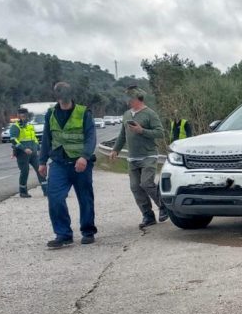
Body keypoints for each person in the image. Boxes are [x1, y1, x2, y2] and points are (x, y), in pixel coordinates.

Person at [39, 82, 98, 248]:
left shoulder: (83, 112)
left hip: (80, 163)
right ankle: (63, 234)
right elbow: (46, 138)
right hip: (59, 163)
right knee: (55, 198)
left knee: (85, 198)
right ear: (56, 97)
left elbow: (90, 136)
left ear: (71, 95)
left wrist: (84, 157)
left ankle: (88, 231)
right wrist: (42, 161)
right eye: (60, 97)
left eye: (65, 96)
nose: (62, 100)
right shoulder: (50, 113)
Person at [109, 86, 167, 228]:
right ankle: (148, 215)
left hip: (148, 154)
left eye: (129, 99)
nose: (127, 102)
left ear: (136, 99)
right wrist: (115, 149)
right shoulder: (127, 114)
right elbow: (123, 134)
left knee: (146, 183)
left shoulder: (150, 114)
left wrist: (142, 130)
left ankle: (164, 206)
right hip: (132, 157)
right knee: (135, 187)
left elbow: (160, 133)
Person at [10, 108, 47, 198]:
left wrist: (38, 148)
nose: (24, 117)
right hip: (22, 154)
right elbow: (13, 139)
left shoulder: (29, 125)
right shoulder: (15, 126)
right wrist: (24, 149)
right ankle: (23, 192)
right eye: (22, 115)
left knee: (40, 170)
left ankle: (46, 190)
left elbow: (34, 138)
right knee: (24, 171)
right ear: (18, 116)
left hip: (33, 153)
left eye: (25, 115)